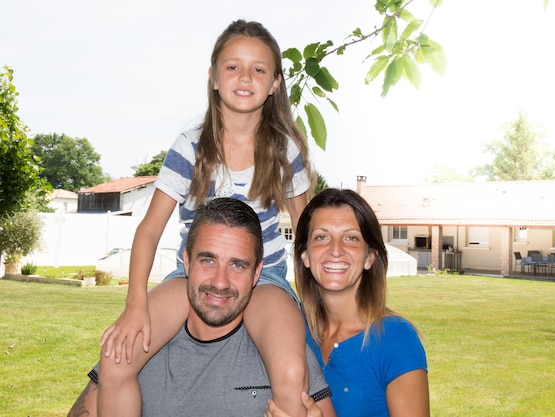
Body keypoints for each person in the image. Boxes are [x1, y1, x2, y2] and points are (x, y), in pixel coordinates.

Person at [96, 20, 315, 417]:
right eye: (232, 67)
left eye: (259, 69)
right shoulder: (191, 147)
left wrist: (314, 304)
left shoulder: (283, 149)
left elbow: (306, 231)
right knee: (115, 361)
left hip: (265, 276)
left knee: (291, 370)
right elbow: (149, 231)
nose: (245, 77)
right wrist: (135, 305)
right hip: (192, 275)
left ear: (275, 84)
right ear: (213, 77)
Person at [68, 198, 335, 417]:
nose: (220, 282)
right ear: (186, 262)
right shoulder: (144, 342)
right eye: (208, 261)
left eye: (237, 265)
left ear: (257, 274)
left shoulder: (280, 344)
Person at [270, 188, 430, 417]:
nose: (335, 250)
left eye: (351, 238)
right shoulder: (290, 328)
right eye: (321, 237)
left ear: (370, 257)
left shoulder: (396, 340)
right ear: (304, 255)